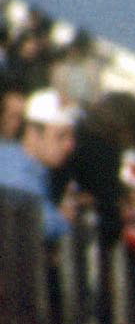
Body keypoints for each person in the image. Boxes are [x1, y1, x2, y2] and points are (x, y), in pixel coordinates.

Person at [0, 87, 84, 241]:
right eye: (61, 136)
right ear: (33, 133)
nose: (70, 145)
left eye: (72, 137)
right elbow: (41, 225)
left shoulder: (25, 164)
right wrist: (63, 219)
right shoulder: (17, 176)